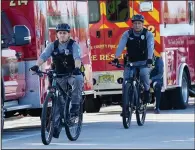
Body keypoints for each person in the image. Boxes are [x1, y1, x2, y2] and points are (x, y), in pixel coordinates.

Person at [30, 23, 84, 138]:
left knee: (78, 79)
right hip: (58, 75)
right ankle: (55, 126)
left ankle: (75, 107)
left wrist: (77, 69)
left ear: (68, 34)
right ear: (57, 35)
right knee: (58, 101)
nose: (62, 35)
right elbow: (43, 56)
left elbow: (77, 58)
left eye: (64, 33)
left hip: (71, 74)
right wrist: (36, 66)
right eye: (60, 33)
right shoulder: (52, 45)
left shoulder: (73, 45)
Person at [112, 14, 154, 115]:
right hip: (131, 62)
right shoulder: (127, 34)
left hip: (144, 62)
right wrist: (116, 57)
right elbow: (121, 45)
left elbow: (150, 46)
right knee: (126, 81)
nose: (137, 25)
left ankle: (147, 92)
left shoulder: (148, 34)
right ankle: (126, 107)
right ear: (132, 24)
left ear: (142, 24)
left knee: (144, 74)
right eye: (135, 23)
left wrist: (149, 59)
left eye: (139, 23)